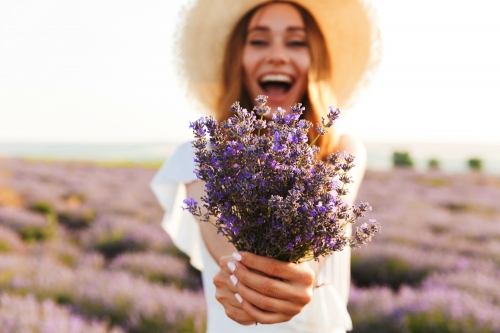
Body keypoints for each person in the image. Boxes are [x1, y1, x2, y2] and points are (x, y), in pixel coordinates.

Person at [151, 1, 379, 332]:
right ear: (237, 59)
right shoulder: (203, 154)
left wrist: (301, 272)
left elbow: (317, 245)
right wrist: (242, 278)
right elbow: (223, 242)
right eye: (259, 40)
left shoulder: (341, 151)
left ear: (315, 58)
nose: (277, 55)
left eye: (296, 41)